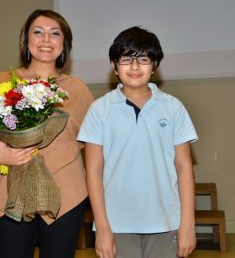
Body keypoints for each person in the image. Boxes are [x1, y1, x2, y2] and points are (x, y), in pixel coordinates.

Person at [0, 9, 94, 258]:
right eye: (38, 32)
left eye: (55, 33)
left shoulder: (76, 89)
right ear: (26, 41)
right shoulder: (2, 81)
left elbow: (96, 143)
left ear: (64, 44)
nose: (46, 40)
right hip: (10, 191)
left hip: (65, 194)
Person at [77, 26, 198, 258]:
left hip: (166, 221)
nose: (134, 66)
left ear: (154, 67)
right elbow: (93, 170)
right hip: (116, 224)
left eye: (143, 59)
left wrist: (187, 224)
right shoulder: (99, 110)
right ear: (114, 66)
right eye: (126, 59)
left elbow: (184, 168)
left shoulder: (173, 107)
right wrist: (102, 227)